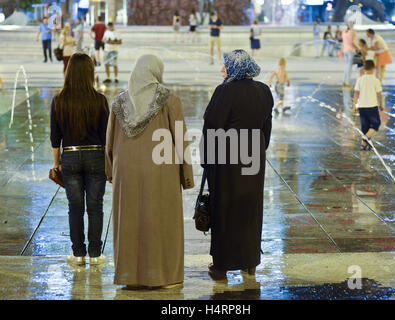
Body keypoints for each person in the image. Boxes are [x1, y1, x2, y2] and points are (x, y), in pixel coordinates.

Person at [105, 55, 194, 289]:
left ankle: (128, 276)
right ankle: (164, 276)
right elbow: (180, 140)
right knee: (161, 222)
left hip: (126, 171)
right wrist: (187, 176)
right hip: (161, 170)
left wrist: (111, 172)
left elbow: (110, 143)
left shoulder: (119, 102)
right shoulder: (169, 100)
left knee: (129, 223)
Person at [200, 49, 273, 281]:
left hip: (227, 164)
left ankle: (221, 265)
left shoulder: (225, 91)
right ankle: (249, 263)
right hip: (253, 160)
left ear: (235, 68)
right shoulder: (263, 91)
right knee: (250, 210)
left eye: (226, 65)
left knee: (225, 210)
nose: (223, 69)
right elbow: (266, 128)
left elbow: (211, 127)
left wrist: (206, 160)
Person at [50, 53, 109, 266]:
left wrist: (57, 163)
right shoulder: (100, 100)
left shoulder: (59, 100)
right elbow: (106, 137)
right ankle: (95, 254)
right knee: (95, 206)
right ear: (89, 74)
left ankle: (78, 254)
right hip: (96, 156)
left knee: (75, 207)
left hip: (71, 156)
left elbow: (55, 138)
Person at [353, 60, 383, 151]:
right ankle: (364, 140)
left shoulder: (360, 79)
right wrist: (381, 104)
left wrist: (354, 105)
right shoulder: (375, 80)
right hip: (372, 106)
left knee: (365, 127)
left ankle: (365, 145)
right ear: (373, 68)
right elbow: (379, 94)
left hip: (362, 106)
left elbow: (356, 93)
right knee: (376, 124)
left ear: (364, 68)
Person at [342, 21, 358, 87]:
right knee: (349, 67)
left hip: (345, 50)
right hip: (350, 50)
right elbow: (352, 42)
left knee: (347, 66)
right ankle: (347, 82)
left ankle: (344, 81)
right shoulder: (352, 32)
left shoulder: (344, 32)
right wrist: (358, 48)